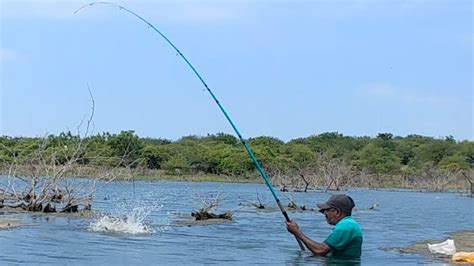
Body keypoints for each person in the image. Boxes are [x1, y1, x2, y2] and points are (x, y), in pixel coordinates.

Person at [286, 194, 363, 259]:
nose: (324, 214)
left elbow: (320, 251)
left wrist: (297, 232)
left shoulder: (345, 227)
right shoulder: (350, 224)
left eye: (325, 210)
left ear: (337, 212)